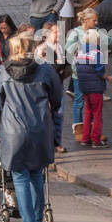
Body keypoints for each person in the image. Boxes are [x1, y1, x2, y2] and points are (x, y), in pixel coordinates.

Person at [0, 34, 60, 222]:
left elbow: (1, 100)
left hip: (13, 129)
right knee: (36, 174)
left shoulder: (3, 70)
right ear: (32, 49)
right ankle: (36, 220)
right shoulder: (45, 70)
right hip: (39, 128)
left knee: (19, 175)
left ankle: (28, 220)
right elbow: (57, 99)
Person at [74, 20, 108, 148]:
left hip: (84, 87)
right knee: (97, 114)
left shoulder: (80, 52)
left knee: (88, 113)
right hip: (95, 88)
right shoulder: (97, 54)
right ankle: (96, 140)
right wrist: (108, 78)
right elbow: (100, 71)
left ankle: (85, 138)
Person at [40, 21, 69, 153]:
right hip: (46, 88)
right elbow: (47, 70)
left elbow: (67, 64)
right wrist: (59, 68)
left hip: (59, 85)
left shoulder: (60, 47)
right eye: (55, 32)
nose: (59, 34)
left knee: (59, 115)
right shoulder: (42, 49)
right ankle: (46, 144)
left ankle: (57, 143)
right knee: (47, 116)